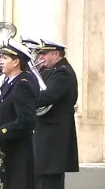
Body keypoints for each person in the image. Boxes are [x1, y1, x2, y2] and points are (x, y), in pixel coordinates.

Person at [0, 38, 39, 189]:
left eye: (4, 58)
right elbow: (6, 107)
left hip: (16, 152)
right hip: (5, 149)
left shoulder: (22, 84)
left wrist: (0, 133)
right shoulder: (10, 82)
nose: (0, 61)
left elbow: (27, 120)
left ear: (16, 62)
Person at [33, 39, 79, 189]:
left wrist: (24, 96)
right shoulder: (53, 70)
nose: (41, 58)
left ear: (55, 54)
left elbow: (48, 96)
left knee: (50, 176)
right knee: (42, 173)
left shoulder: (63, 72)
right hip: (48, 129)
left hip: (54, 132)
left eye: (45, 54)